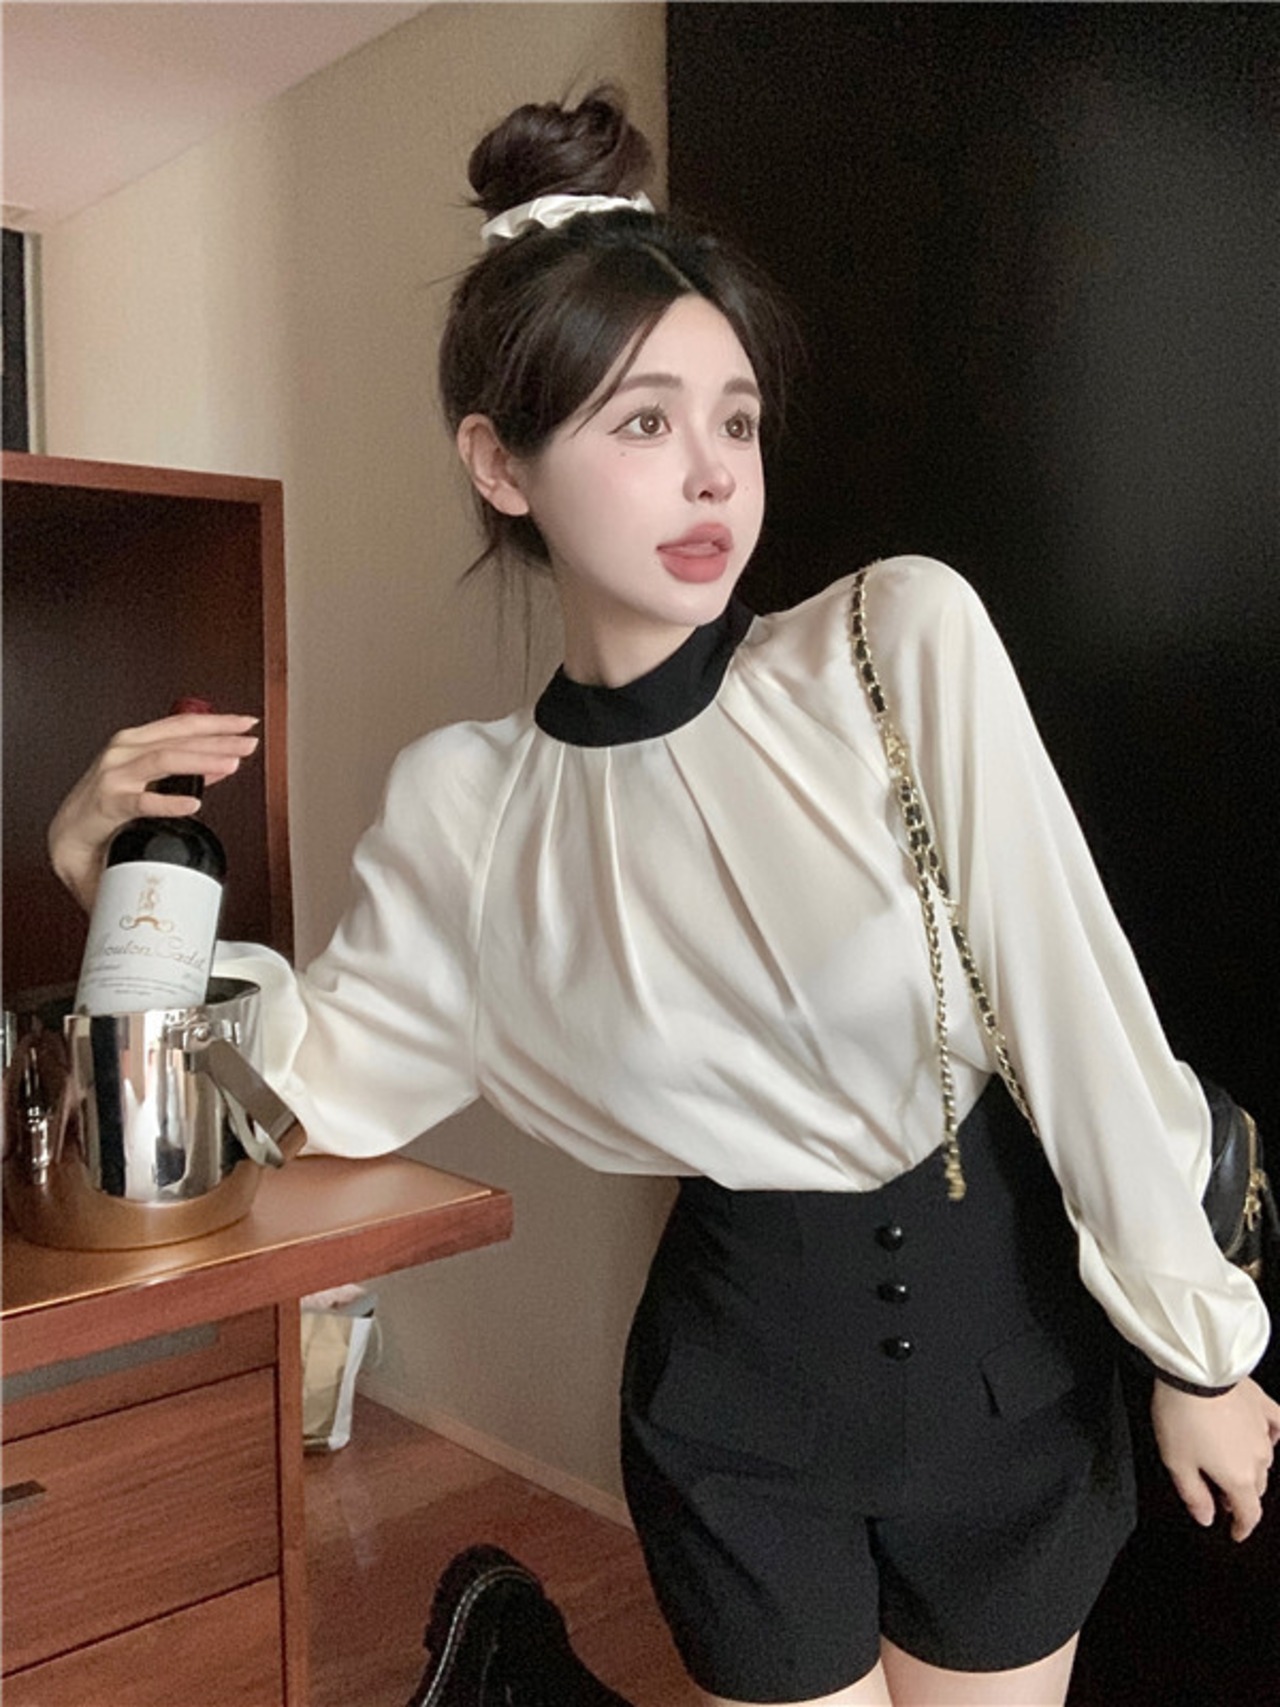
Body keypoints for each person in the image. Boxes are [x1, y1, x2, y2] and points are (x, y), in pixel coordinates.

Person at [48, 90, 1277, 1707]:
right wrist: (113, 890)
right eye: (642, 424)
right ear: (501, 464)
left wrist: (1198, 1345)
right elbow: (309, 1090)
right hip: (736, 1406)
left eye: (737, 422)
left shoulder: (889, 643)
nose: (710, 476)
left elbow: (1074, 1005)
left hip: (1007, 1379)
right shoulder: (468, 806)